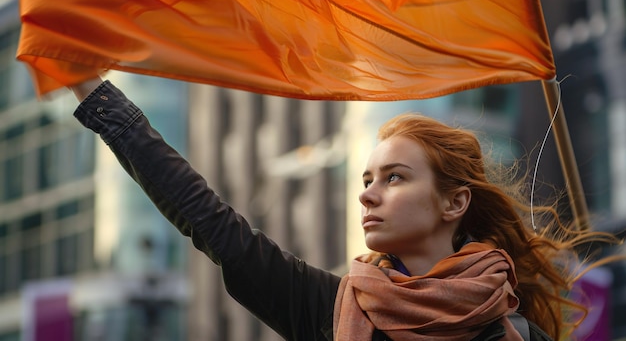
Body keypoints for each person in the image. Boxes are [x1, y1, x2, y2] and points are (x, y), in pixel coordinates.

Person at [69, 77, 616, 341]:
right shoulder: (330, 307)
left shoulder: (515, 332)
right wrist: (92, 91)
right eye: (367, 178)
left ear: (455, 201)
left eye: (394, 178)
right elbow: (209, 221)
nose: (367, 194)